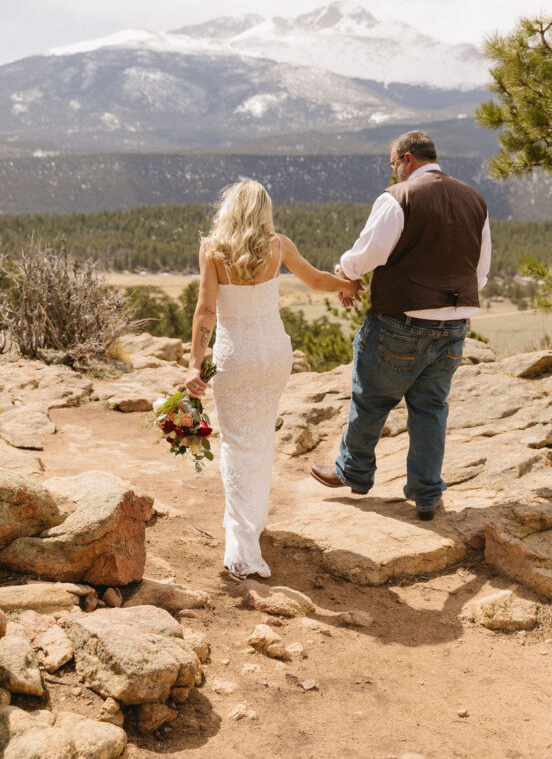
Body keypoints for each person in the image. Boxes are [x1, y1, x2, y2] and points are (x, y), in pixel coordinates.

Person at [310, 130, 491, 520]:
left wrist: (346, 274)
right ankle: (427, 494)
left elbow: (369, 253)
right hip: (455, 323)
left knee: (371, 397)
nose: (393, 172)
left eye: (393, 164)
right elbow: (481, 271)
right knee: (430, 407)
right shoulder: (475, 200)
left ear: (407, 159)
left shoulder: (398, 198)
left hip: (401, 321)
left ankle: (354, 472)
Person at [185, 179, 357, 579]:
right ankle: (253, 523)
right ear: (264, 211)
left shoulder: (212, 250)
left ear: (229, 209)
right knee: (260, 437)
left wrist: (195, 363)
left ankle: (243, 541)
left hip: (237, 356)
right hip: (274, 354)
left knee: (236, 442)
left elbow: (206, 310)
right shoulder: (279, 245)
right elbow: (315, 279)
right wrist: (348, 284)